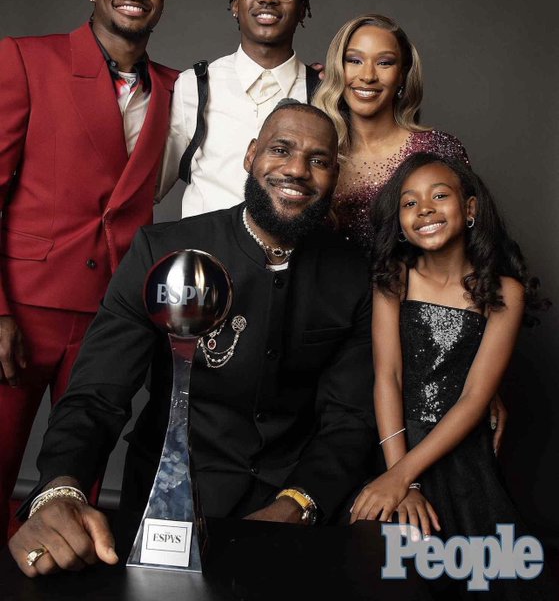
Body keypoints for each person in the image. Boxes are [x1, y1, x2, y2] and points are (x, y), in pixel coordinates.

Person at [8, 101, 376, 577]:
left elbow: (349, 419)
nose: (297, 170)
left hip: (298, 511)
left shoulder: (353, 275)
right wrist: (59, 488)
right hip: (168, 506)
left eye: (319, 160)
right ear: (250, 155)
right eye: (281, 150)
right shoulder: (163, 253)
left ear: (334, 176)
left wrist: (297, 504)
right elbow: (97, 394)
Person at [0, 0, 179, 547]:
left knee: (76, 482)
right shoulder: (28, 60)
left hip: (113, 313)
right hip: (26, 305)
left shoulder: (177, 88)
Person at [350, 152, 552, 598]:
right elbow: (388, 377)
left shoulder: (504, 292)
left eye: (439, 196)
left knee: (489, 577)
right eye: (409, 202)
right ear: (399, 221)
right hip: (393, 443)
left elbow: (476, 397)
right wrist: (399, 478)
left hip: (462, 457)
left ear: (470, 208)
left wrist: (404, 476)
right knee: (386, 572)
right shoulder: (393, 278)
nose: (424, 209)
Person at [157, 0, 320, 218]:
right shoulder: (194, 86)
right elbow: (150, 186)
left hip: (291, 244)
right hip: (205, 242)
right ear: (235, 5)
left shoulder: (323, 91)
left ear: (302, 10)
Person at [313, 14, 469, 251]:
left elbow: (471, 243)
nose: (367, 76)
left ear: (402, 74)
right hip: (330, 276)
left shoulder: (438, 148)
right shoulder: (318, 153)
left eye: (384, 63)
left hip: (413, 276)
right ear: (338, 68)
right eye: (354, 60)